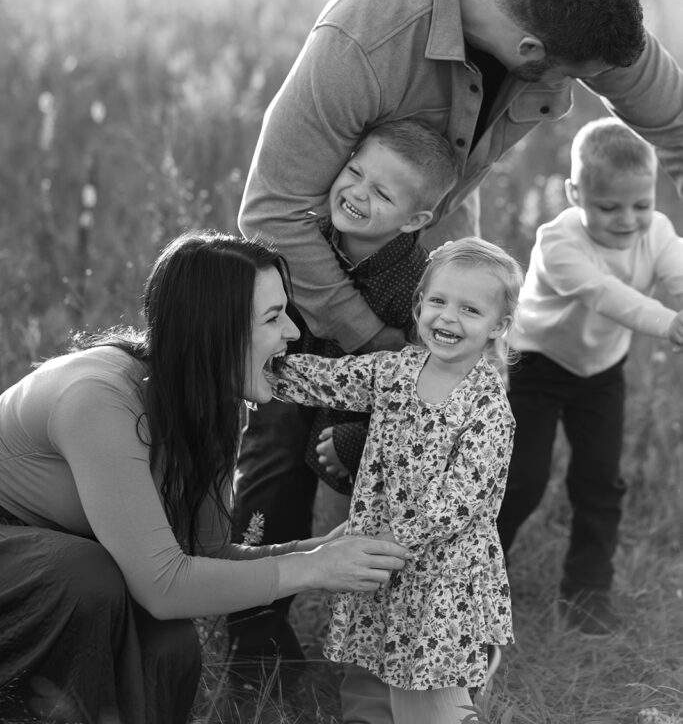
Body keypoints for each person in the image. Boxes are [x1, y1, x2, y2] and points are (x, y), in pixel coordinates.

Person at [0, 231, 409, 724]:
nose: (293, 333)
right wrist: (315, 569)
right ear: (215, 330)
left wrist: (325, 550)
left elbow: (204, 557)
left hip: (62, 560)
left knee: (169, 644)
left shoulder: (214, 400)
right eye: (273, 318)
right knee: (88, 577)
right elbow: (163, 586)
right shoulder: (96, 398)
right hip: (24, 551)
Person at [239, 0, 683, 359]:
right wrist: (371, 338)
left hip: (443, 237)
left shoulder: (586, 8)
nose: (575, 83)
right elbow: (273, 213)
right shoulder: (361, 45)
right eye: (570, 76)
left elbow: (677, 126)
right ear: (529, 49)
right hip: (320, 269)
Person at [229, 121, 457, 671]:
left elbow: (426, 391)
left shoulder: (420, 286)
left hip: (363, 417)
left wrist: (356, 440)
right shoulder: (298, 237)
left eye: (382, 193)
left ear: (416, 219)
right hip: (285, 380)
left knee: (396, 512)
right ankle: (255, 640)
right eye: (354, 172)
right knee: (269, 482)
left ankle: (403, 645)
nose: (357, 193)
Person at [267, 238, 524, 724]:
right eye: (438, 301)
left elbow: (461, 500)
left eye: (470, 309)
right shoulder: (397, 369)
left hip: (441, 572)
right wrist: (268, 367)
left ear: (498, 326)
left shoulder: (488, 407)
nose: (448, 317)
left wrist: (395, 538)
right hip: (380, 555)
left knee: (428, 683)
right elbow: (331, 379)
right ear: (419, 305)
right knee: (368, 660)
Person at [496, 118, 683, 636]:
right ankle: (478, 575)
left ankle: (587, 591)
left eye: (640, 205)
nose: (628, 220)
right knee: (523, 479)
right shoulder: (557, 243)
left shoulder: (656, 232)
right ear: (575, 193)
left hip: (601, 372)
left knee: (600, 481)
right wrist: (669, 323)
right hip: (537, 365)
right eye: (608, 207)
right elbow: (607, 295)